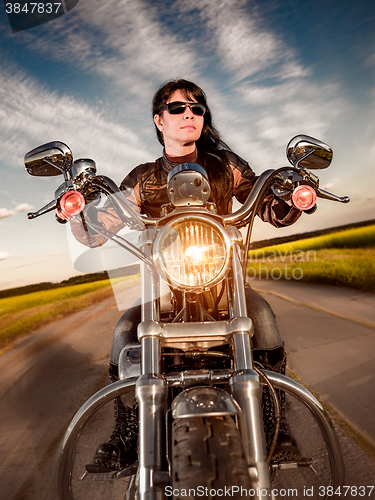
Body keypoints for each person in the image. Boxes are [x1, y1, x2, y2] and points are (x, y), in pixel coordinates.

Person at [69, 79, 303, 473]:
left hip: (226, 291)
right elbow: (98, 227)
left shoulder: (226, 166)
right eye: (178, 109)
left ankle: (274, 425)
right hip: (164, 295)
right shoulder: (143, 178)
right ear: (159, 120)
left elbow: (269, 208)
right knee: (125, 328)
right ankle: (126, 432)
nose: (189, 114)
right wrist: (78, 208)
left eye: (197, 108)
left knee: (261, 317)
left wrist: (291, 191)